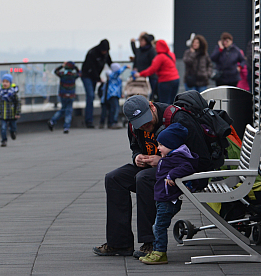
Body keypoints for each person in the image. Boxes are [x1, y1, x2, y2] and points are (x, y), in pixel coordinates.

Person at [92, 94, 214, 258]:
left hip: (182, 173)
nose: (145, 125)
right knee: (114, 178)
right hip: (155, 169)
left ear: (152, 106)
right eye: (139, 124)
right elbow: (136, 147)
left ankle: (151, 242)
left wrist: (166, 160)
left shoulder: (178, 119)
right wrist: (137, 158)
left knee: (144, 179)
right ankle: (119, 243)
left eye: (146, 119)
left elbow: (202, 159)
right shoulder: (134, 126)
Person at [137, 123, 198, 265]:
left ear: (172, 144)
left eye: (161, 145)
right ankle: (157, 250)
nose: (158, 148)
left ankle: (160, 253)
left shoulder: (177, 157)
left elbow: (188, 167)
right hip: (164, 198)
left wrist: (171, 174)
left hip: (168, 200)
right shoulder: (172, 156)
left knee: (159, 226)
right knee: (157, 226)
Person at [81, 39, 112, 128]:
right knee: (90, 96)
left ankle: (89, 119)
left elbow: (110, 63)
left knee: (92, 97)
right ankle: (88, 121)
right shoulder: (92, 53)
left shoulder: (106, 54)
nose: (104, 52)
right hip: (87, 75)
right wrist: (98, 78)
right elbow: (91, 68)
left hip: (95, 76)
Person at [137, 40, 179, 104]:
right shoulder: (171, 54)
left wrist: (140, 74)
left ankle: (165, 114)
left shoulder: (160, 57)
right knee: (172, 101)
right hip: (175, 79)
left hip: (165, 81)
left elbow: (152, 69)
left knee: (164, 103)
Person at [47, 62, 80, 134]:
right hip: (71, 95)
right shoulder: (74, 75)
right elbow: (80, 73)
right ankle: (66, 127)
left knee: (62, 109)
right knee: (68, 111)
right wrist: (76, 67)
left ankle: (52, 121)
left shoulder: (62, 74)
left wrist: (62, 66)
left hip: (62, 95)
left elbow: (55, 71)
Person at [0, 74, 21, 147]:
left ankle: (13, 132)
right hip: (3, 114)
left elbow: (18, 103)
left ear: (10, 83)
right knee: (3, 128)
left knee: (13, 127)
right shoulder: (0, 93)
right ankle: (4, 140)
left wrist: (17, 112)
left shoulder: (13, 93)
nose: (5, 83)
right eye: (3, 82)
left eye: (7, 82)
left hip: (11, 114)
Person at [130, 32, 158, 100]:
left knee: (150, 95)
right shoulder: (140, 50)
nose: (140, 42)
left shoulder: (151, 51)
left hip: (149, 77)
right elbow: (136, 57)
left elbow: (153, 65)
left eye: (142, 40)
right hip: (139, 76)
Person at [104, 63, 128, 129]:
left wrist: (120, 94)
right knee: (114, 109)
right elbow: (118, 72)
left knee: (114, 108)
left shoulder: (116, 77)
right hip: (112, 94)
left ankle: (112, 122)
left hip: (116, 94)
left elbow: (119, 87)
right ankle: (113, 122)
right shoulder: (113, 75)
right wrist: (125, 66)